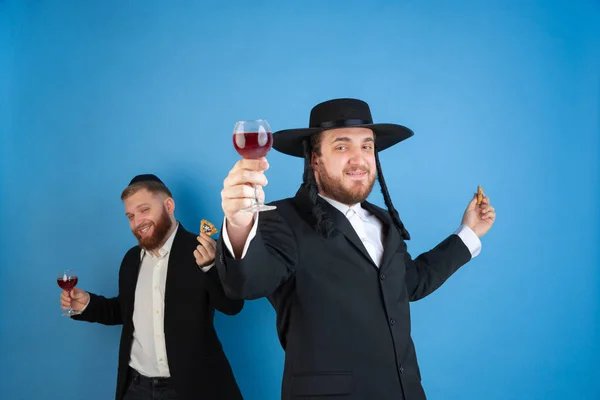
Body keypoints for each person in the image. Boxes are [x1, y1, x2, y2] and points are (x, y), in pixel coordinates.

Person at [216, 98, 496, 399]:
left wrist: (468, 233)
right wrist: (240, 224)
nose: (358, 158)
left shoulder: (383, 220)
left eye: (366, 146)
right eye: (341, 146)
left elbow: (411, 283)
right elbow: (247, 282)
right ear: (314, 159)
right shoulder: (281, 218)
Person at [59, 174, 244, 400]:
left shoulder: (202, 250)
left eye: (144, 210)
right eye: (130, 216)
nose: (138, 222)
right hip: (136, 387)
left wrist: (211, 269)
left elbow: (232, 306)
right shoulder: (130, 260)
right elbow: (125, 312)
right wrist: (88, 304)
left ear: (168, 205)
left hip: (191, 387)